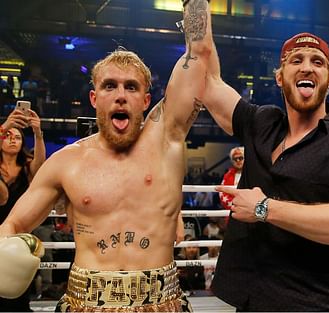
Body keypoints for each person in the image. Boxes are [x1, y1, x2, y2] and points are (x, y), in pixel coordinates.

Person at [0, 1, 212, 311]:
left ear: (145, 100)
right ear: (94, 98)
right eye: (110, 85)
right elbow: (14, 222)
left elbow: (199, 56)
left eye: (132, 87)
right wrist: (5, 246)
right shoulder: (66, 162)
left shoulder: (167, 139)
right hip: (84, 304)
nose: (121, 95)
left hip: (162, 303)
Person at [201, 17, 329, 311]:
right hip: (249, 299)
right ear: (280, 76)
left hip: (311, 305)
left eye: (318, 62)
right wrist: (197, 9)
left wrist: (263, 208)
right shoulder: (261, 122)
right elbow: (206, 80)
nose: (307, 67)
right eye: (296, 60)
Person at [0, 108, 45, 312]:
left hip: (19, 229)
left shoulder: (26, 166)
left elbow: (40, 168)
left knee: (17, 284)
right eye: (8, 136)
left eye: (17, 137)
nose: (12, 140)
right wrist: (6, 126)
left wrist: (37, 133)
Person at [219, 146, 244, 211]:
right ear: (232, 161)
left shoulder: (252, 174)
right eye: (235, 159)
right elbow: (222, 194)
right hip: (231, 212)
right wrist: (234, 205)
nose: (238, 160)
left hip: (249, 212)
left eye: (240, 158)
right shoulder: (228, 175)